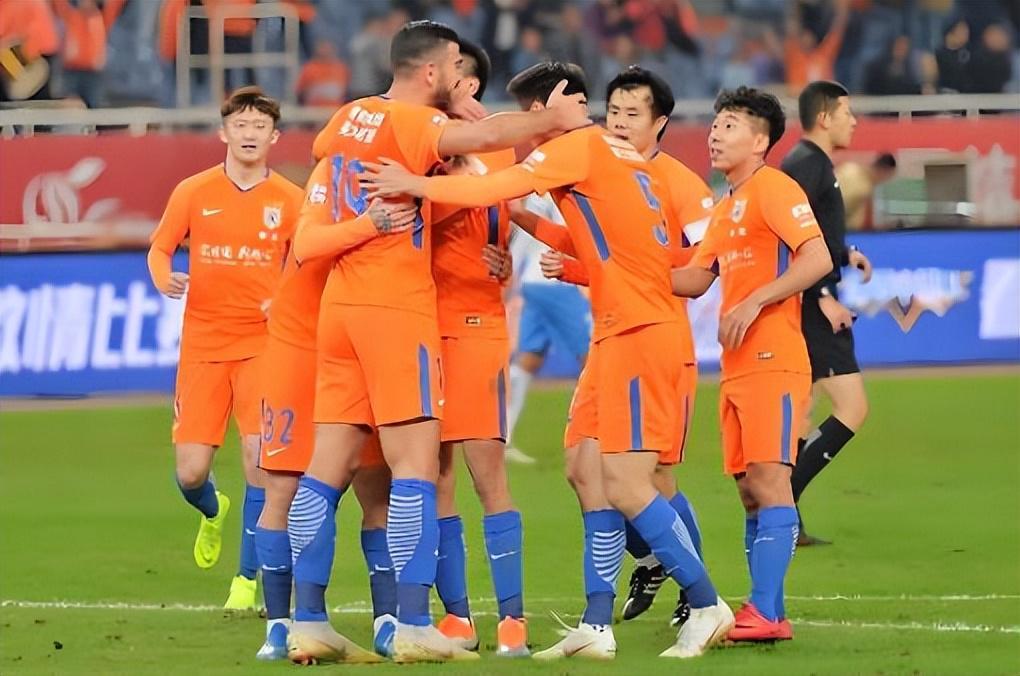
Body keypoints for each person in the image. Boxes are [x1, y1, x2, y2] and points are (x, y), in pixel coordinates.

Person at [363, 59, 733, 661]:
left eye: (526, 117)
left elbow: (490, 187)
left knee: (629, 482)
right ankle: (596, 623)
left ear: (543, 112)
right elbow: (600, 242)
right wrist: (525, 218)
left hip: (639, 331)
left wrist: (416, 184)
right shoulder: (613, 155)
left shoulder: (576, 147)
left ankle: (705, 602)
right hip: (617, 331)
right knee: (585, 468)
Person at [283, 21, 590, 664]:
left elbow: (322, 151)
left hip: (340, 308)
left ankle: (307, 618)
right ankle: (417, 622)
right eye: (453, 65)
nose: (460, 75)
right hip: (396, 309)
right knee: (418, 470)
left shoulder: (347, 117)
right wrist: (552, 118)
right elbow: (480, 139)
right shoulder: (414, 122)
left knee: (326, 468)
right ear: (430, 73)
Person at [672, 85, 833, 642]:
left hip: (775, 357)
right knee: (748, 489)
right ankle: (772, 615)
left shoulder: (775, 188)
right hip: (738, 365)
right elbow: (695, 278)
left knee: (770, 479)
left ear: (761, 141)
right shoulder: (726, 204)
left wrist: (756, 299)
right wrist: (598, 270)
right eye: (715, 123)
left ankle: (762, 610)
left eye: (730, 125)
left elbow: (817, 256)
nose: (715, 133)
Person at [146, 87, 303, 611]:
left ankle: (246, 580)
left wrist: (284, 299)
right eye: (241, 125)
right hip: (203, 345)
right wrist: (164, 277)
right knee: (190, 472)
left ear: (274, 137)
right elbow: (161, 247)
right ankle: (214, 511)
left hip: (264, 346)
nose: (250, 133)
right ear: (224, 133)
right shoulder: (193, 191)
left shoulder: (290, 200)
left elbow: (307, 263)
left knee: (260, 458)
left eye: (260, 126)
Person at [422, 39, 529, 658]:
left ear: (469, 85)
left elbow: (497, 217)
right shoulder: (421, 140)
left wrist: (503, 258)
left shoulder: (496, 147)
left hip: (475, 324)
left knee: (486, 472)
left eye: (452, 72)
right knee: (433, 474)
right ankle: (457, 617)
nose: (440, 79)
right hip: (418, 326)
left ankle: (513, 620)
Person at [781, 81, 874, 546]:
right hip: (812, 303)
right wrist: (821, 293)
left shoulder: (813, 164)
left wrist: (845, 253)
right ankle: (781, 500)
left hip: (809, 299)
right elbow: (790, 236)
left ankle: (783, 513)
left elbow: (815, 231)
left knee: (802, 412)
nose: (853, 121)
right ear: (824, 117)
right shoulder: (805, 166)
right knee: (853, 407)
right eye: (846, 112)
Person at [836, 152, 896, 231]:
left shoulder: (850, 168)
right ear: (883, 170)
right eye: (887, 176)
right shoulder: (862, 187)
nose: (884, 180)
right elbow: (835, 207)